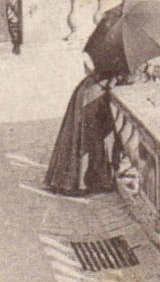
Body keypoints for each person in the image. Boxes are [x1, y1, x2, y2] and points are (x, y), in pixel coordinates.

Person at [42, 61, 118, 196]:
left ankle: (74, 180)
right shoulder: (117, 61)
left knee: (80, 136)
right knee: (88, 139)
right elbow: (112, 81)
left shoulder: (107, 53)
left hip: (88, 88)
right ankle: (81, 183)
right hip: (94, 94)